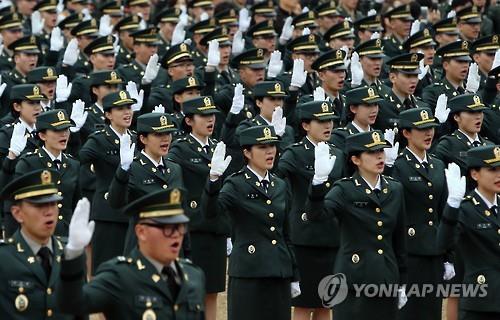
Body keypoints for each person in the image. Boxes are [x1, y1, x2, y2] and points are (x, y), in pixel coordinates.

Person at [57, 188, 206, 319]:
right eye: (167, 227)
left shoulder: (193, 275)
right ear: (141, 232)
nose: (176, 235)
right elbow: (74, 304)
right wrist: (74, 253)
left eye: (179, 227)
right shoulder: (120, 276)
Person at [306, 130, 408, 319]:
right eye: (372, 152)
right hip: (354, 278)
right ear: (356, 160)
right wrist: (318, 183)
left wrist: (402, 281)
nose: (379, 156)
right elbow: (316, 216)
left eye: (381, 151)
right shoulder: (344, 189)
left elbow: (398, 239)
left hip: (386, 277)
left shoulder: (394, 188)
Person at [203, 125, 299, 320]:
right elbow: (210, 213)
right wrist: (213, 181)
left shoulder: (279, 185)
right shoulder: (235, 184)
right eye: (262, 147)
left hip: (279, 272)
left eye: (272, 145)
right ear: (247, 152)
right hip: (249, 272)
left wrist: (294, 274)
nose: (270, 151)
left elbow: (286, 233)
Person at [276, 101, 345, 320]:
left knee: (326, 302)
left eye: (330, 120)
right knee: (304, 305)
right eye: (321, 121)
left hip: (331, 235)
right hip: (304, 237)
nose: (328, 125)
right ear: (306, 125)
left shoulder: (338, 153)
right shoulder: (294, 153)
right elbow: (277, 181)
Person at [167, 96, 227, 320]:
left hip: (215, 227)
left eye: (212, 115)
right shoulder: (180, 149)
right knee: (191, 292)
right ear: (189, 120)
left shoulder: (216, 147)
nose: (210, 120)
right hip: (193, 227)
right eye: (204, 116)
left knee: (212, 292)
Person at [389, 108, 451, 320]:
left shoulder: (437, 164)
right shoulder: (398, 166)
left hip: (434, 249)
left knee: (431, 310)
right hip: (409, 250)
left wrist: (448, 255)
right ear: (406, 133)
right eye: (422, 129)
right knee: (409, 312)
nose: (428, 133)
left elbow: (443, 212)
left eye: (431, 128)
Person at [0, 169, 75, 319]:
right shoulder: (4, 258)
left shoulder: (70, 254)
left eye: (53, 203)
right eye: (39, 205)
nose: (49, 212)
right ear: (17, 213)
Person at [78, 90, 138, 273]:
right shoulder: (99, 139)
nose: (127, 112)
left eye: (129, 107)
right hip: (107, 214)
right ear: (108, 114)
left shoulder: (137, 139)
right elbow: (80, 160)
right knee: (105, 270)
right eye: (120, 109)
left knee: (131, 272)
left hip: (132, 210)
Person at [438, 146, 500, 320]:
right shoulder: (465, 209)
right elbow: (443, 243)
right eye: (492, 170)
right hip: (480, 304)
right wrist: (452, 206)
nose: (499, 175)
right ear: (475, 174)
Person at [108, 112, 184, 253]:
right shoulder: (132, 167)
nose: (165, 139)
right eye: (158, 135)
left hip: (172, 245)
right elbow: (115, 202)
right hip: (142, 246)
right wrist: (123, 170)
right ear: (143, 138)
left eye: (168, 133)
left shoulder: (175, 169)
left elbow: (181, 211)